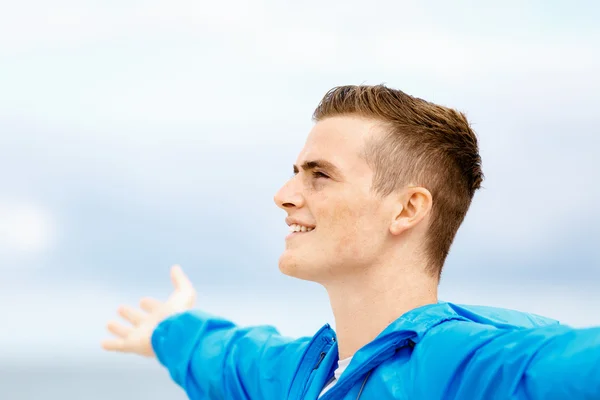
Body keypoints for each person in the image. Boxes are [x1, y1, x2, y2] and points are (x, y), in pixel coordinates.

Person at [101, 85, 600, 399]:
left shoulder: (465, 368)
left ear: (407, 209)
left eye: (320, 175)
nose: (283, 196)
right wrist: (167, 329)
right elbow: (221, 357)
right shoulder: (299, 373)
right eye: (295, 172)